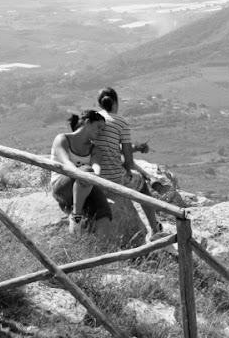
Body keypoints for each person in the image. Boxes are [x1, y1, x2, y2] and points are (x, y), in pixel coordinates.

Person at [92, 87, 162, 242]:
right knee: (141, 183)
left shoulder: (92, 120)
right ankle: (155, 229)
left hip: (93, 178)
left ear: (99, 103)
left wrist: (136, 148)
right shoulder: (121, 123)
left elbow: (108, 148)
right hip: (113, 180)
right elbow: (129, 163)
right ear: (116, 103)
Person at [50, 110, 112, 238]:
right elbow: (66, 162)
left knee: (104, 211)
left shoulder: (95, 149)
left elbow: (96, 166)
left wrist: (95, 174)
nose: (100, 132)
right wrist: (82, 173)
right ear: (88, 122)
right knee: (86, 171)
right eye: (99, 127)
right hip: (62, 188)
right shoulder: (62, 139)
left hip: (85, 186)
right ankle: (76, 217)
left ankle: (103, 251)